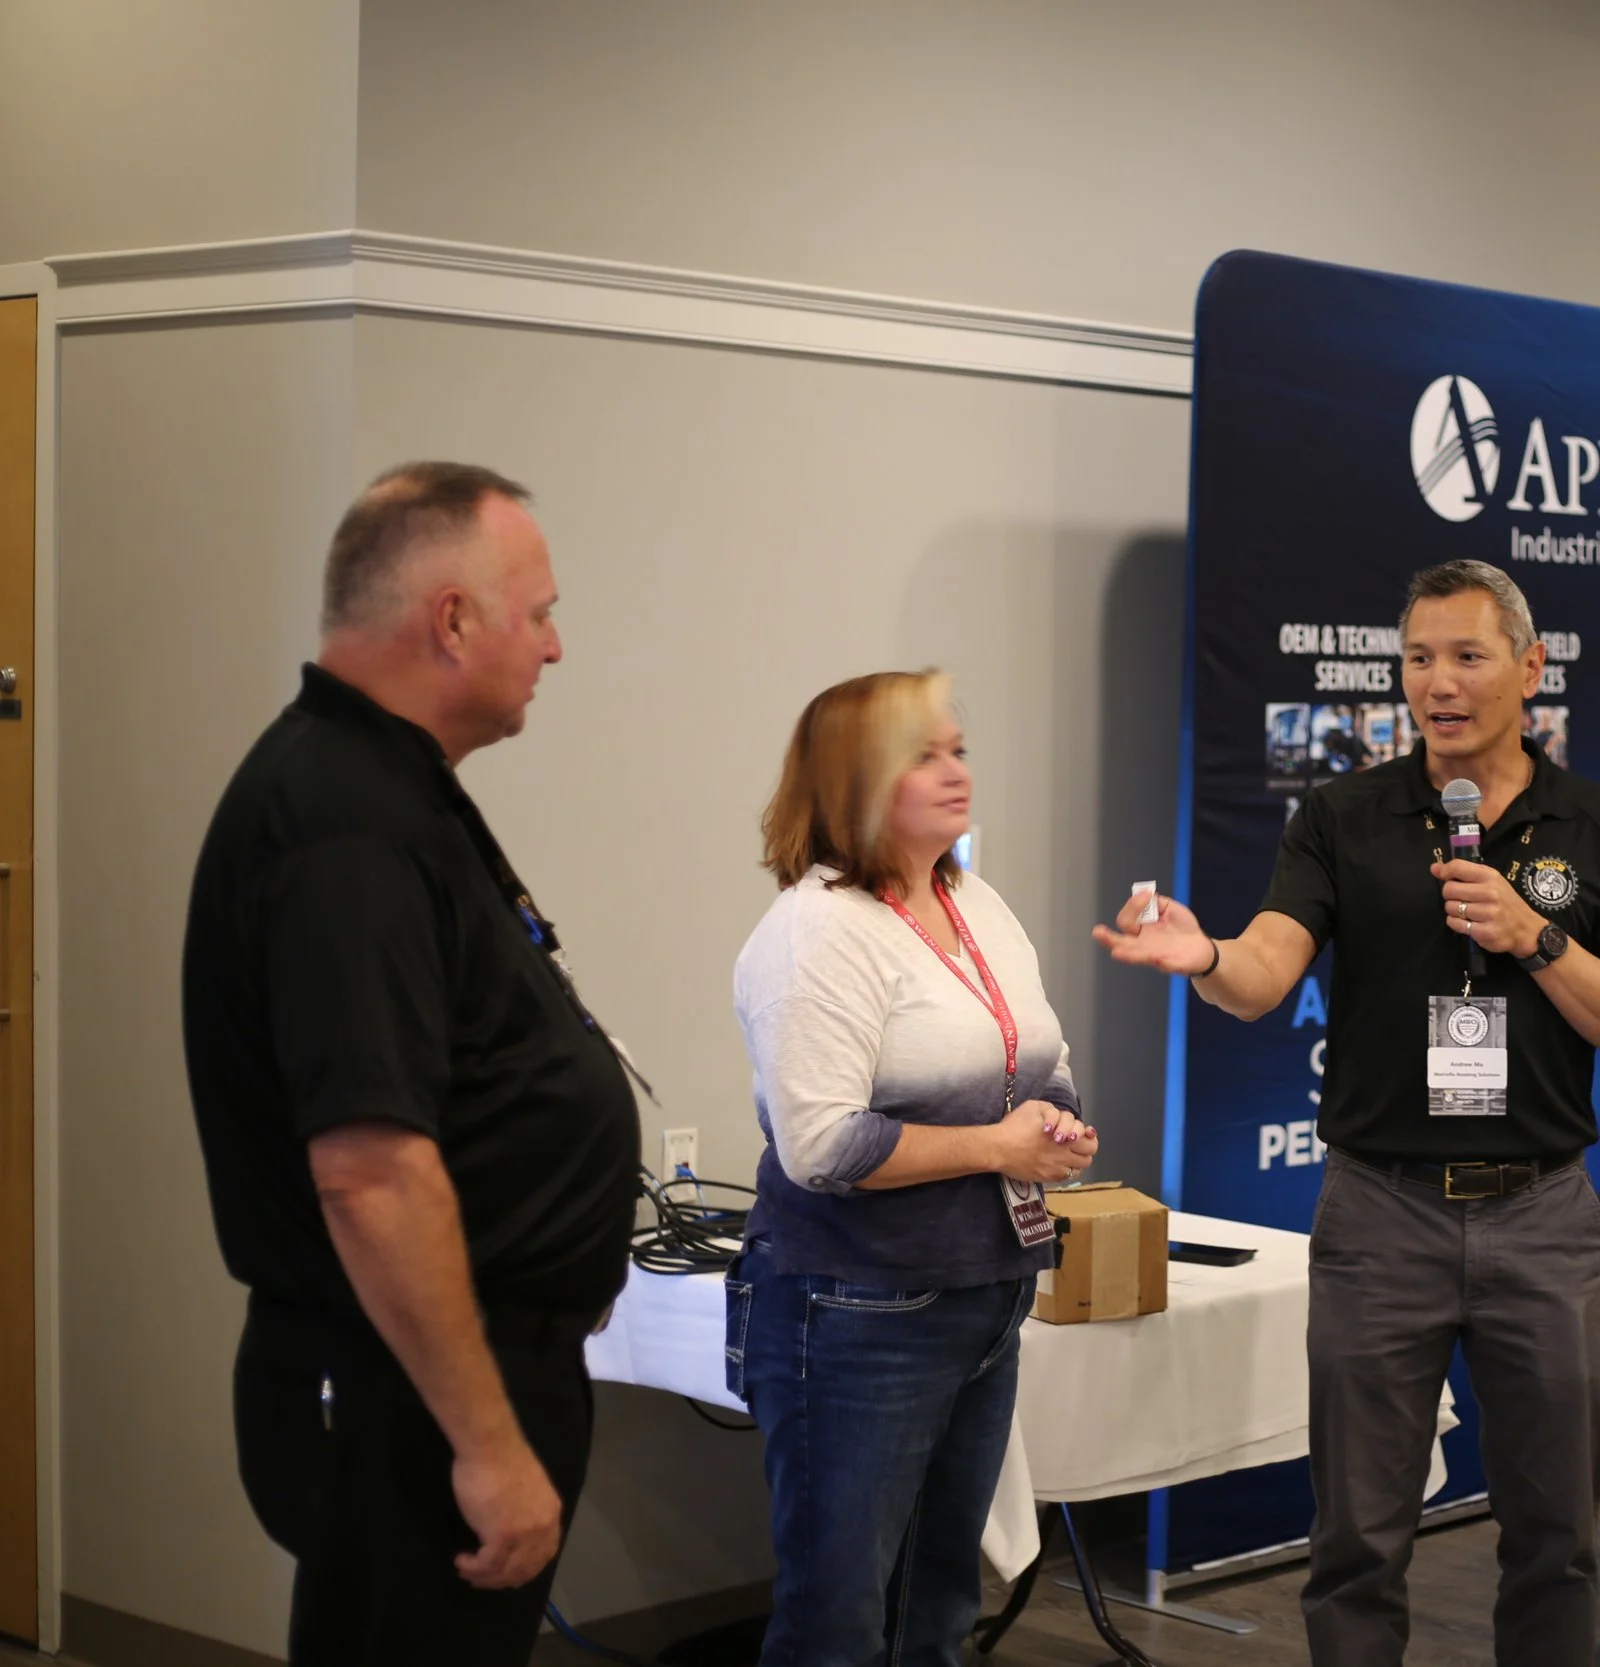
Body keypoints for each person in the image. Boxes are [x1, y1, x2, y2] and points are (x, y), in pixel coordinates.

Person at [1095, 560, 1600, 1666]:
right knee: (1357, 1540)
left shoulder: (1599, 828)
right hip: (1380, 1217)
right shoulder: (1344, 815)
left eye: (1466, 656)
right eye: (1418, 658)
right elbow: (1265, 970)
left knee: (1556, 1535)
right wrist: (1204, 954)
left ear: (1529, 667)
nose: (1438, 683)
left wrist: (1536, 937)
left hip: (1543, 1216)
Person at [182, 463, 643, 1663]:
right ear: (452, 620)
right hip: (407, 1399)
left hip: (439, 1381)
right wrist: (487, 1443)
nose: (555, 647)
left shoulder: (387, 786)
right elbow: (371, 1172)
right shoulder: (342, 824)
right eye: (537, 612)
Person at [731, 670, 1098, 1667]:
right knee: (838, 1625)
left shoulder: (971, 897)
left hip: (983, 1297)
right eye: (924, 754)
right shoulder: (818, 932)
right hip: (854, 1311)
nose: (956, 770)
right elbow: (824, 1147)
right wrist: (996, 1145)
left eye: (958, 747)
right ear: (857, 778)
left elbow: (1041, 1060)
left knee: (938, 1607)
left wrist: (1057, 1129)